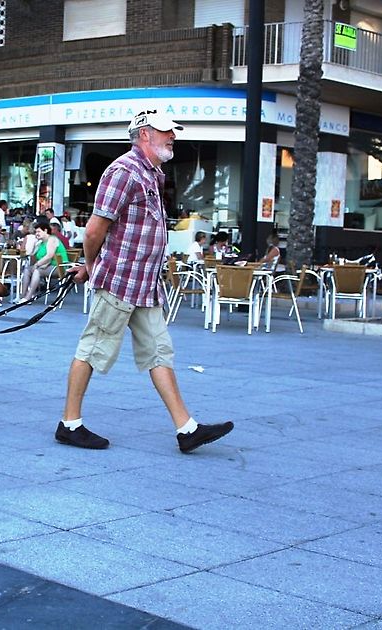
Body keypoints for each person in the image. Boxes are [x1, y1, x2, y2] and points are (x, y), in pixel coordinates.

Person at [59, 110, 234, 452]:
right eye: (165, 131)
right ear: (143, 134)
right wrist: (92, 266)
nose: (172, 136)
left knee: (159, 351)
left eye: (172, 131)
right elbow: (95, 229)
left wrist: (90, 265)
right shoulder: (123, 171)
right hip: (120, 281)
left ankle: (187, 429)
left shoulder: (152, 173)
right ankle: (69, 423)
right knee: (93, 349)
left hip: (145, 284)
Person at [16, 218, 69, 304]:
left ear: (45, 230)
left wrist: (37, 264)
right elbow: (30, 253)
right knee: (27, 270)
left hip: (59, 267)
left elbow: (49, 255)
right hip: (47, 266)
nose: (36, 234)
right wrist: (34, 243)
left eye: (38, 232)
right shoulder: (40, 243)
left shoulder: (52, 239)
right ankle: (23, 295)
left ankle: (28, 298)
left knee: (37, 271)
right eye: (36, 232)